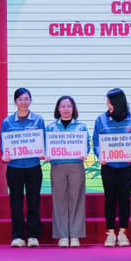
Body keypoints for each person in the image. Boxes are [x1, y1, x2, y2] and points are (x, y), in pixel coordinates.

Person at [94, 88, 131, 247]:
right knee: (110, 199)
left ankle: (122, 232)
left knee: (124, 199)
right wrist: (100, 155)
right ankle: (110, 232)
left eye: (110, 102)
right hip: (108, 166)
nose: (108, 105)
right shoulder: (101, 120)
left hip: (127, 166)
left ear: (118, 103)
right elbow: (96, 143)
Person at [0, 88, 46, 248]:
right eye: (20, 99)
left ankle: (33, 235)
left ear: (30, 101)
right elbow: (4, 144)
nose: (24, 102)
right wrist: (5, 154)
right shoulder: (7, 122)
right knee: (16, 202)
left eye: (26, 99)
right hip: (15, 168)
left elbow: (43, 141)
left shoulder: (38, 120)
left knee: (34, 201)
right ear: (15, 102)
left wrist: (43, 152)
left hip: (33, 167)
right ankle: (18, 236)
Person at [47, 96, 89, 247]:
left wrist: (84, 152)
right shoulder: (51, 128)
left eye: (69, 106)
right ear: (58, 109)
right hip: (57, 166)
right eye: (63, 106)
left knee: (77, 199)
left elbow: (87, 146)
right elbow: (45, 146)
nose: (66, 109)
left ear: (73, 109)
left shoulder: (81, 127)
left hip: (76, 166)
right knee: (59, 200)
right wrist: (46, 153)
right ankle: (63, 235)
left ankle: (75, 235)